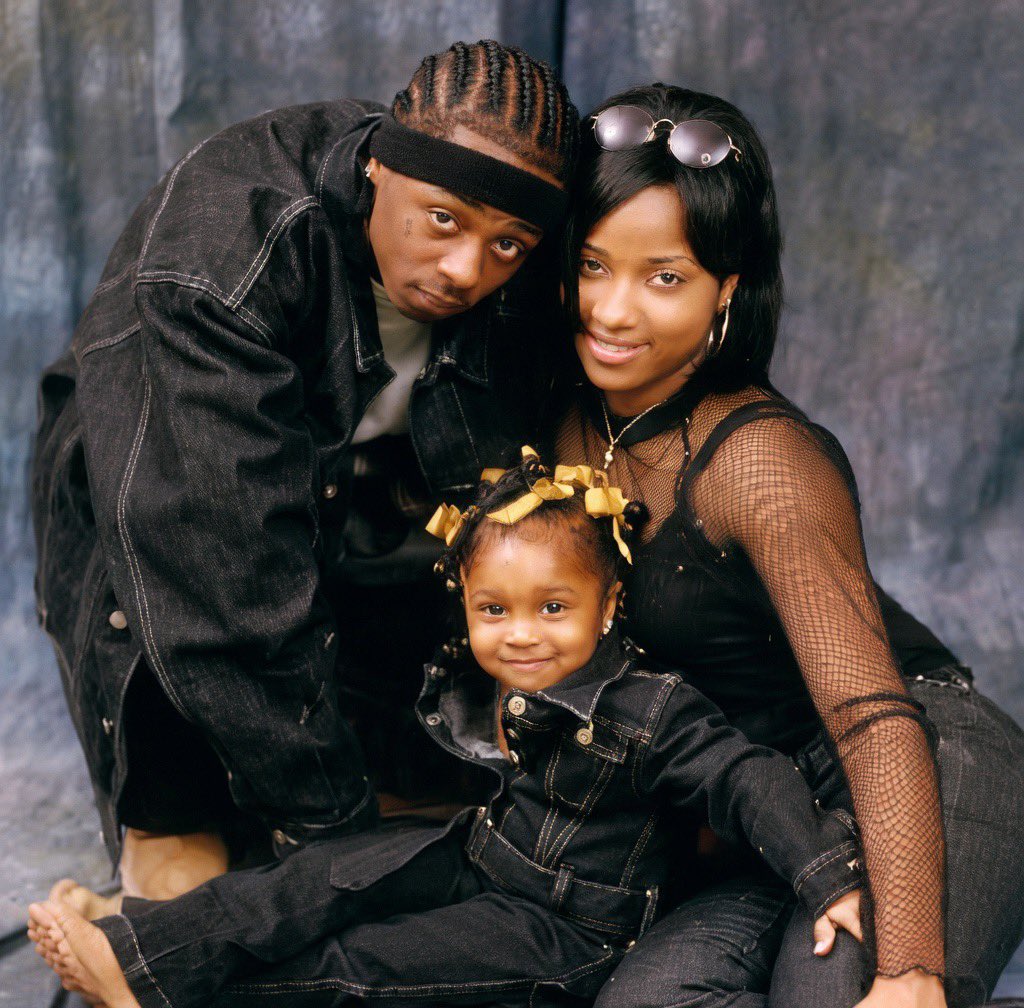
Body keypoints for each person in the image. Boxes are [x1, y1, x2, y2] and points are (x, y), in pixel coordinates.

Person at [30, 40, 579, 908]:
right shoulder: (219, 262)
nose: (469, 271)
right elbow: (224, 591)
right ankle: (161, 874)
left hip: (367, 525)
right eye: (443, 221)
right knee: (191, 894)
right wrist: (339, 842)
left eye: (507, 244)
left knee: (441, 844)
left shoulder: (521, 267)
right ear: (378, 166)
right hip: (153, 532)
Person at [28, 451, 866, 1008]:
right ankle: (146, 944)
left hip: (568, 930)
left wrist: (827, 875)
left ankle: (169, 992)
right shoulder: (482, 679)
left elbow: (748, 778)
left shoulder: (652, 708)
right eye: (492, 610)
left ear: (609, 607)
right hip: (482, 855)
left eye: (553, 608)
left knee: (367, 960)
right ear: (465, 607)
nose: (521, 633)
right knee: (321, 879)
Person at [550, 85, 1024, 1008]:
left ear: (728, 287)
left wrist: (911, 968)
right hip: (776, 812)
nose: (611, 311)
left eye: (664, 277)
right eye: (594, 265)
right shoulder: (564, 414)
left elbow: (868, 715)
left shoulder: (760, 460)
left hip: (918, 761)